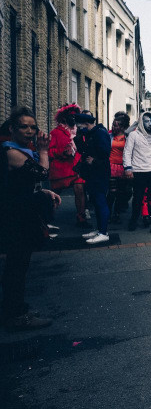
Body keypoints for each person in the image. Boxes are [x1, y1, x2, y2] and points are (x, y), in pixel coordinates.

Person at [1, 107, 61, 330]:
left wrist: (43, 192)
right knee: (17, 265)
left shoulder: (21, 151)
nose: (29, 131)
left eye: (32, 127)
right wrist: (44, 151)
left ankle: (16, 310)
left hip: (21, 211)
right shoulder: (11, 152)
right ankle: (15, 315)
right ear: (12, 129)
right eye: (23, 127)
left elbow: (23, 182)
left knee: (19, 264)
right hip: (15, 216)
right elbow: (42, 173)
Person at [123, 111, 151, 235]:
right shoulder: (133, 135)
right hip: (138, 171)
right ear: (141, 122)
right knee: (137, 198)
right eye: (146, 121)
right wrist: (128, 168)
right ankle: (133, 220)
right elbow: (127, 152)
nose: (149, 124)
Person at [73, 112, 112, 244]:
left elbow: (106, 153)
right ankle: (100, 229)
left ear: (86, 124)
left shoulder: (100, 133)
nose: (78, 128)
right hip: (93, 174)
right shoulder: (92, 134)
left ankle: (103, 232)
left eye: (80, 125)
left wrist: (94, 161)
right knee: (96, 202)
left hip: (99, 174)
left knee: (100, 202)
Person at [49, 104, 89, 228]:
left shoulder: (79, 132)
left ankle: (81, 217)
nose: (73, 118)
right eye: (70, 116)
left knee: (80, 188)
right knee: (53, 195)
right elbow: (49, 151)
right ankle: (47, 217)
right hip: (60, 170)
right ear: (64, 118)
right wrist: (62, 152)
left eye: (74, 115)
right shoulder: (55, 133)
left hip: (75, 168)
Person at [108, 113, 132, 223]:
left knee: (121, 193)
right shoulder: (109, 136)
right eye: (113, 125)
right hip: (111, 166)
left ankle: (116, 213)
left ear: (122, 127)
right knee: (112, 191)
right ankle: (107, 213)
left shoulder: (128, 137)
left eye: (116, 125)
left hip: (123, 167)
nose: (113, 127)